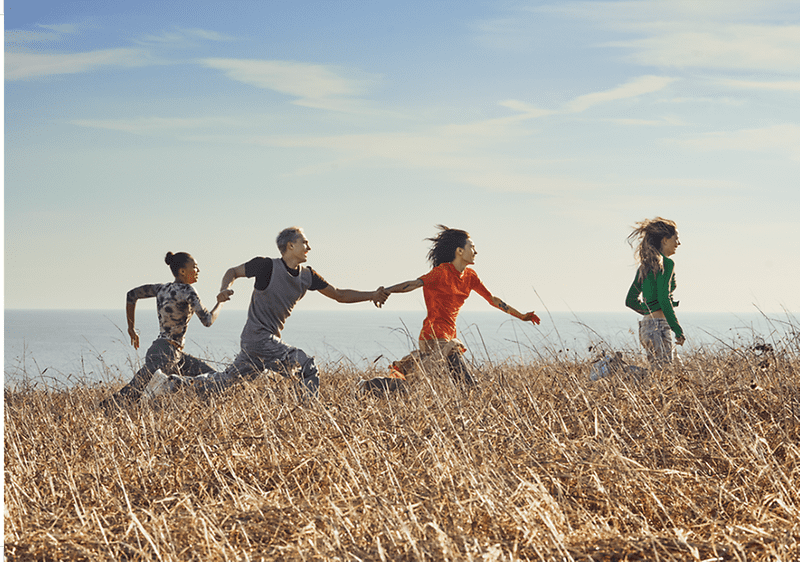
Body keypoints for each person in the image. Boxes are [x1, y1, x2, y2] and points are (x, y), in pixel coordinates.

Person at [171, 227, 388, 399]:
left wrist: (372, 295)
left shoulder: (307, 276)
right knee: (307, 365)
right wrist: (223, 289)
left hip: (263, 342)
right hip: (257, 337)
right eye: (305, 242)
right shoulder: (265, 266)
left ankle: (172, 383)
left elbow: (339, 294)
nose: (309, 247)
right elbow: (233, 271)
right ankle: (309, 415)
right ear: (290, 245)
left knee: (226, 381)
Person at [360, 225, 541, 393]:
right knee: (464, 381)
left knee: (414, 386)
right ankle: (473, 396)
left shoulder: (470, 276)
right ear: (460, 251)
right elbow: (413, 284)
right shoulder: (441, 272)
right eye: (472, 246)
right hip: (433, 336)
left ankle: (368, 387)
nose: (476, 251)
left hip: (448, 336)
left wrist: (522, 316)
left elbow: (492, 299)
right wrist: (386, 291)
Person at [100, 252, 231, 409]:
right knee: (128, 396)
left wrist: (131, 328)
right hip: (165, 355)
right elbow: (208, 320)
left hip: (172, 353)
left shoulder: (161, 289)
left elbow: (131, 295)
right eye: (195, 267)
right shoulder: (188, 290)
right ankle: (97, 415)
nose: (198, 270)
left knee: (215, 380)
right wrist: (220, 303)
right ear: (182, 271)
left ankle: (200, 414)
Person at [625, 217, 684, 367]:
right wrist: (677, 329)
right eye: (676, 239)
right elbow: (664, 298)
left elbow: (630, 300)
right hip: (659, 327)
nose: (679, 243)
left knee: (678, 372)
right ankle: (616, 369)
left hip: (647, 327)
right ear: (665, 240)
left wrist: (649, 309)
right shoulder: (667, 264)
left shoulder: (645, 266)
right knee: (662, 376)